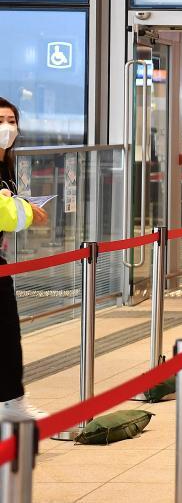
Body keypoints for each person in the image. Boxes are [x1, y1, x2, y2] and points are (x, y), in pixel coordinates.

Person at [0, 97, 49, 418]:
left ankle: (12, 401)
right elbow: (6, 214)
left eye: (11, 121)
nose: (6, 127)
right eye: (0, 121)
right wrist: (26, 211)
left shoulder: (6, 164)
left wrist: (19, 206)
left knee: (7, 332)